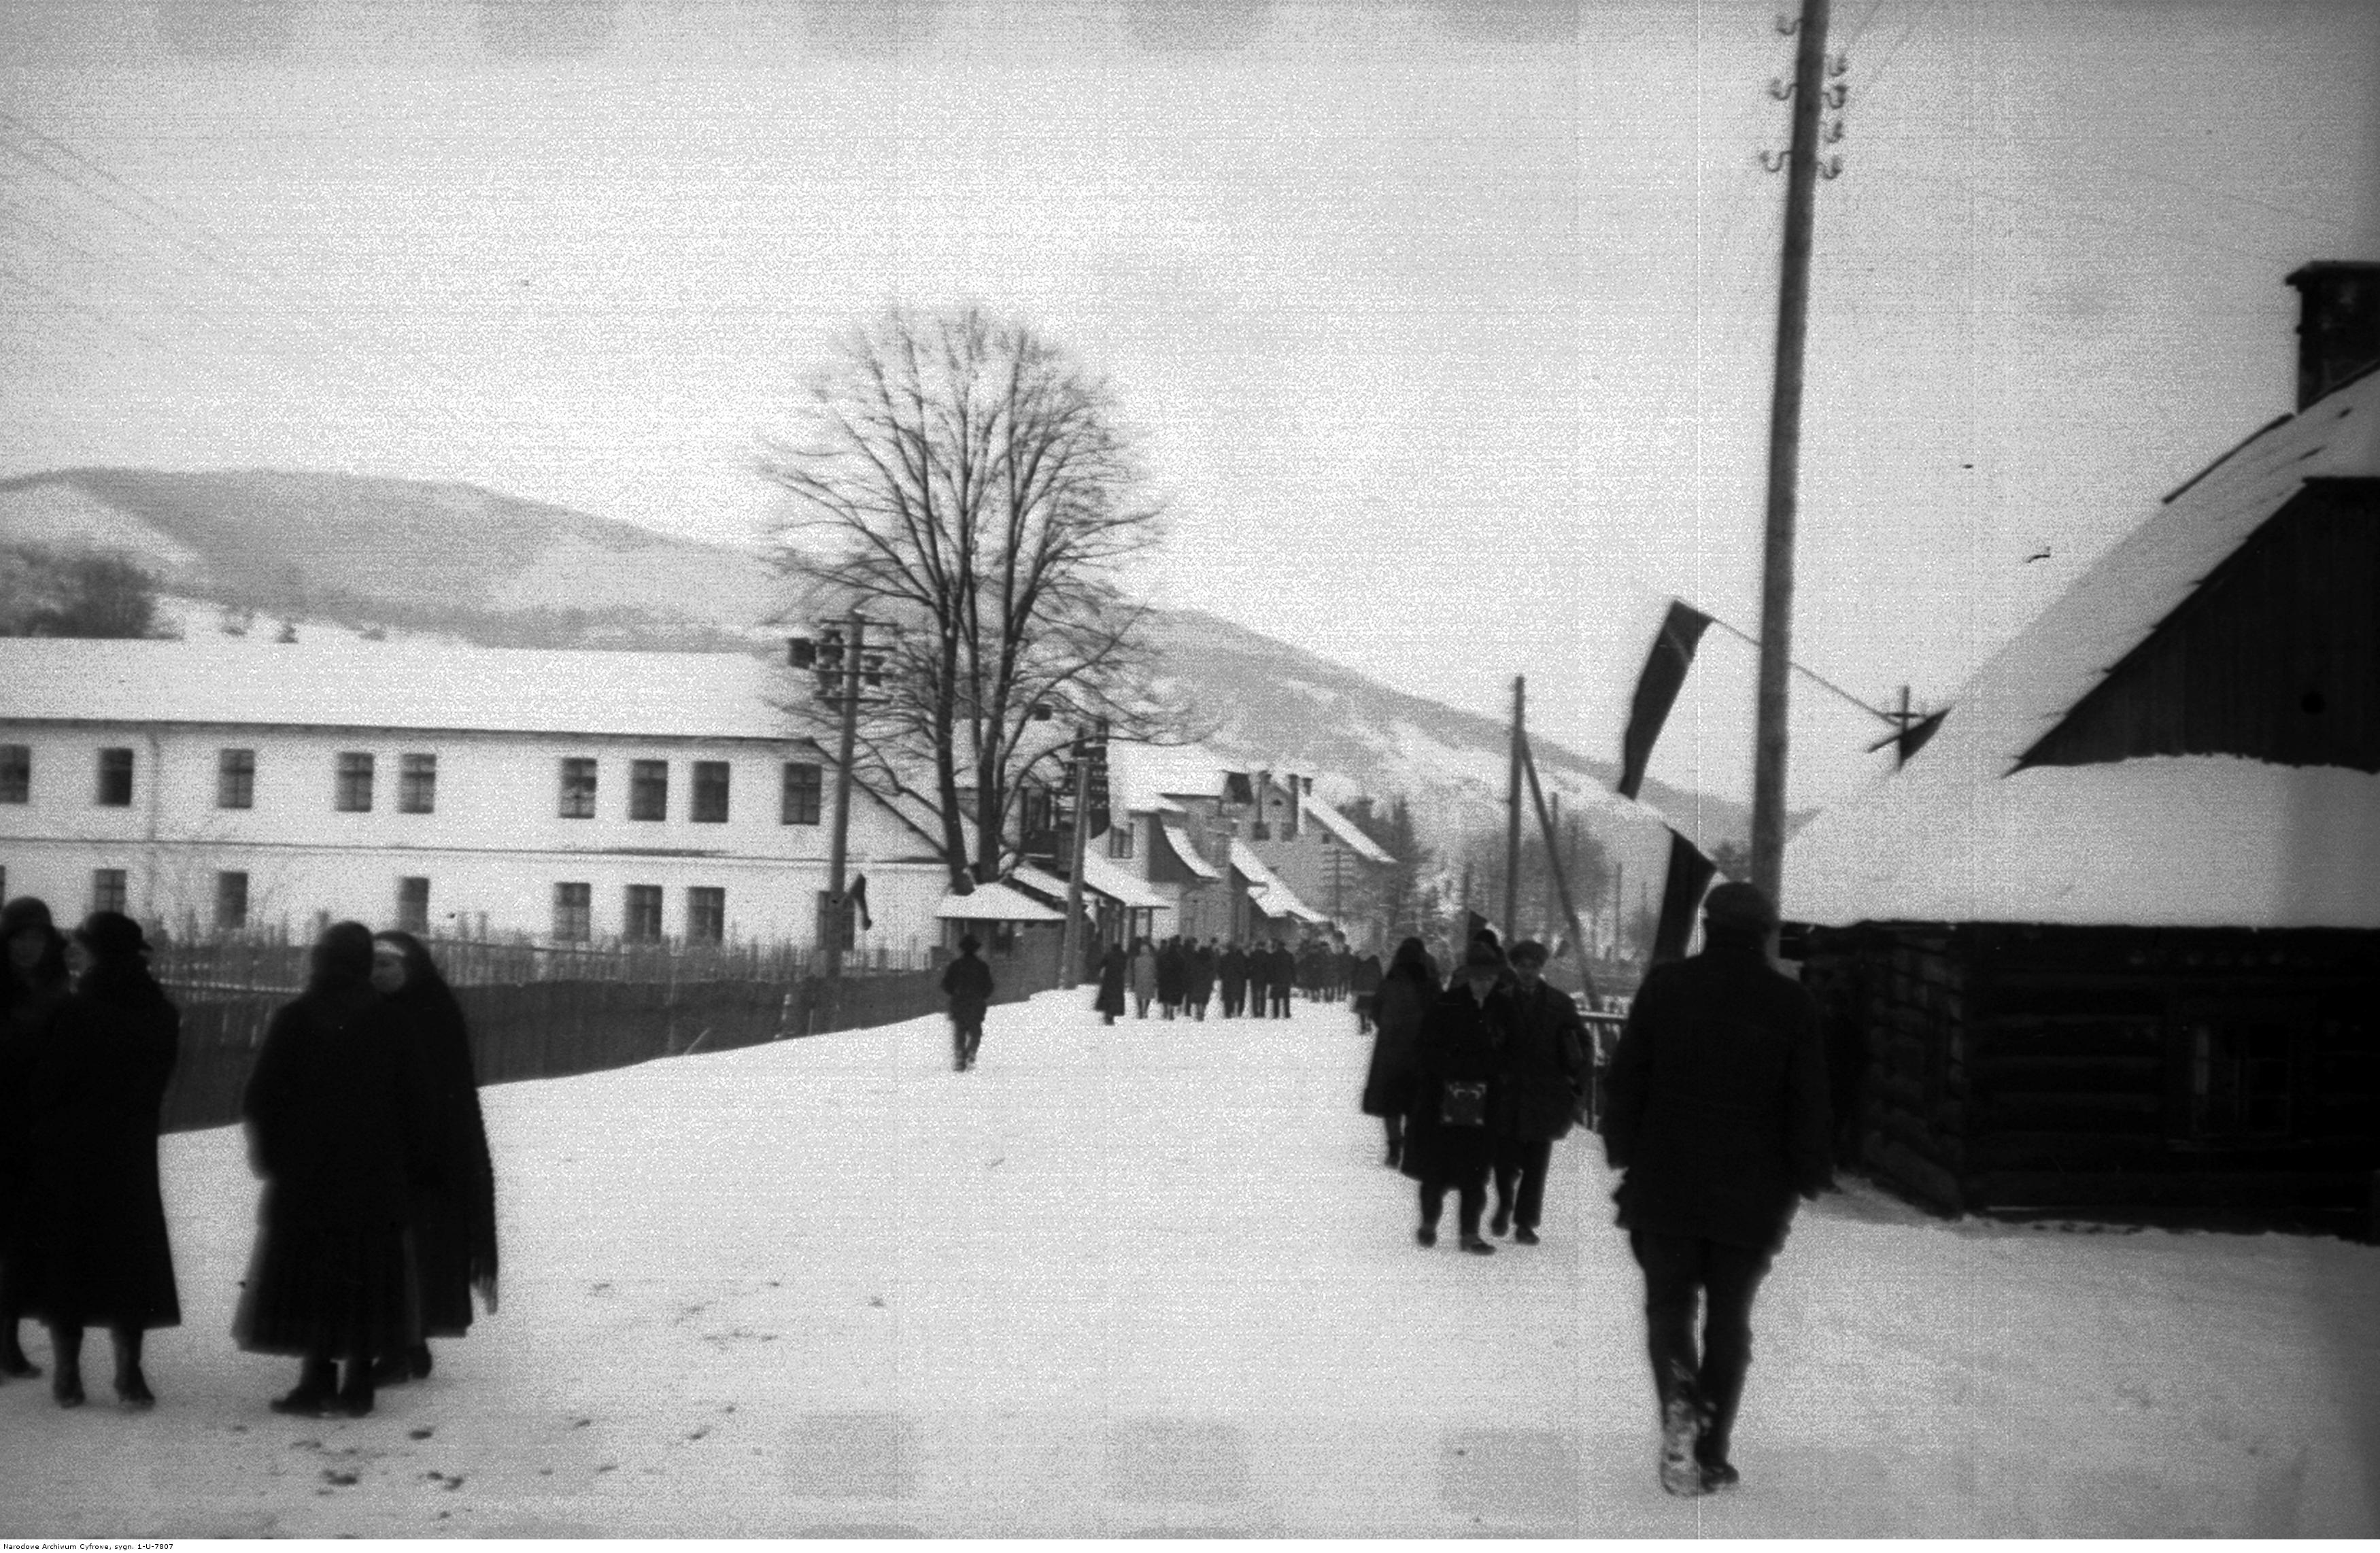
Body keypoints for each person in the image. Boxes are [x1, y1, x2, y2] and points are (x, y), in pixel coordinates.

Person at [1601, 882, 1831, 1497]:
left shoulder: (1666, 987)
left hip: (1665, 1182)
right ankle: (1710, 1455)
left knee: (1669, 1306)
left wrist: (1625, 1152)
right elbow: (1809, 1101)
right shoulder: (1791, 1004)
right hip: (1751, 1194)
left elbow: (1624, 1080)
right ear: (1763, 933)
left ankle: (1680, 1393)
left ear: (1707, 926)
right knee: (1730, 1322)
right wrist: (1807, 1174)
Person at [237, 921, 430, 1418]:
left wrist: (275, 1156)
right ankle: (360, 1383)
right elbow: (415, 1102)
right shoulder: (392, 1022)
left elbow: (263, 1095)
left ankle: (317, 1380)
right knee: (367, 1275)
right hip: (374, 1178)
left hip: (309, 1178)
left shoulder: (296, 1019)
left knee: (311, 1275)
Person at [14, 910, 182, 1408]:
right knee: (129, 1258)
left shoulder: (77, 1010)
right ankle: (130, 1373)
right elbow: (157, 1082)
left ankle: (68, 1374)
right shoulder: (160, 1011)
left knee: (72, 1257)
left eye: (82, 945)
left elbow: (48, 1084)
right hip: (130, 1152)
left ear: (100, 951)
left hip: (72, 1153)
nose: (74, 952)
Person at [369, 931, 498, 1384]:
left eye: (387, 964)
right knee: (391, 1254)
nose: (378, 974)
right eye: (373, 965)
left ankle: (405, 1347)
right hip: (383, 1151)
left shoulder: (436, 1012)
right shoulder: (369, 1013)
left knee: (414, 1254)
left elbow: (452, 1089)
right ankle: (408, 1343)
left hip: (431, 1157)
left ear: (411, 968)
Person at [1401, 940, 1514, 1255]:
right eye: (1478, 978)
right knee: (1436, 1168)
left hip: (1486, 1102)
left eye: (1490, 979)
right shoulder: (1446, 1005)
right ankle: (1429, 1222)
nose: (1484, 984)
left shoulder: (1504, 1010)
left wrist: (1495, 1074)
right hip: (1442, 1100)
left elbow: (1516, 1051)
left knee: (1476, 1170)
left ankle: (1469, 1234)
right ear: (1467, 976)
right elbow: (1424, 1050)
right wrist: (1452, 1072)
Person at [1, 896, 73, 1381]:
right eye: (19, 938)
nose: (28, 947)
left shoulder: (59, 992)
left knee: (18, 1244)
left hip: (35, 1131)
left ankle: (7, 1344)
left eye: (36, 938)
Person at [1490, 940, 1589, 1246]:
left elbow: (1581, 1044)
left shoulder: (1560, 1004)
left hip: (1546, 1092)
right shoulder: (1500, 1000)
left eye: (1533, 966)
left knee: (1536, 1163)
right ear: (1515, 968)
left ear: (1541, 968)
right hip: (1508, 1091)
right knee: (1504, 1159)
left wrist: (1577, 1086)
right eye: (1522, 966)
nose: (1528, 972)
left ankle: (1525, 1222)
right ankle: (1507, 1202)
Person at [1360, 938, 1435, 1169]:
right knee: (1415, 1101)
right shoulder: (1429, 984)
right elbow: (1438, 1014)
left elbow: (1376, 1011)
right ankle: (1412, 1145)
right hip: (1420, 1053)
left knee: (1390, 1103)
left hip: (1390, 1053)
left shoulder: (1390, 982)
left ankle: (1394, 1147)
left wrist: (1390, 1029)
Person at [940, 934, 996, 1072]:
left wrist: (955, 993)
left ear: (962, 949)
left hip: (959, 1002)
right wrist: (981, 996)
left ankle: (960, 1056)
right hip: (976, 1003)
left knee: (960, 1031)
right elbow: (989, 987)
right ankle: (971, 1053)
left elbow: (946, 984)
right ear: (976, 950)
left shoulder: (955, 966)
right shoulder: (982, 966)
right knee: (976, 1032)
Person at [1093, 942, 1127, 1026]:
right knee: (1116, 998)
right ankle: (1112, 1015)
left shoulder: (1109, 955)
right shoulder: (1123, 956)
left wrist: (1096, 971)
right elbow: (1125, 967)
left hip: (1108, 979)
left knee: (1108, 997)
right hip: (1119, 980)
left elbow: (1101, 964)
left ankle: (1107, 1013)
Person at [1350, 949, 1382, 1037]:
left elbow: (1358, 978)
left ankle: (1363, 1025)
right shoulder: (1377, 969)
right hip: (1373, 993)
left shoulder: (1364, 966)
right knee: (1370, 1009)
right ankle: (1369, 1022)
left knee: (1362, 1010)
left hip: (1362, 993)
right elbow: (1381, 980)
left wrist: (1355, 989)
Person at [1155, 937, 1187, 1021]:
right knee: (1173, 996)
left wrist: (1159, 977)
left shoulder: (1163, 957)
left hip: (1165, 979)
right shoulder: (1180, 958)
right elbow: (1183, 969)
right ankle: (1171, 1011)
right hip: (1176, 980)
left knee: (1165, 995)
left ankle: (1165, 1009)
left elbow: (1159, 967)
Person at [1185, 940, 1215, 1021]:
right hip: (1206, 983)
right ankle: (1203, 1011)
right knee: (1205, 999)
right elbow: (1212, 973)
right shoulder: (1209, 962)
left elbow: (1192, 971)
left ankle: (1199, 1010)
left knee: (1198, 999)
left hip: (1197, 982)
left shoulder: (1196, 961)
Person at [1129, 939, 1158, 1020]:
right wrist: (1154, 978)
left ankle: (1140, 1010)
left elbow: (1134, 969)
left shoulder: (1137, 960)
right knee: (1148, 995)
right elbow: (1154, 969)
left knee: (1139, 995)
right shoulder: (1152, 960)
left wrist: (1134, 979)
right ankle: (1146, 1010)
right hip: (1149, 979)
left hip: (1139, 979)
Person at [1217, 940, 1247, 1019]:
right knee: (1234, 995)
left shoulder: (1224, 958)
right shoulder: (1238, 958)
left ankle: (1227, 1012)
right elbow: (1242, 969)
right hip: (1236, 980)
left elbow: (1220, 969)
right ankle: (1233, 1011)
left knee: (1227, 996)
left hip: (1226, 980)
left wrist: (1222, 976)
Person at [1265, 939, 1295, 1019]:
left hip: (1276, 980)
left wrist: (1269, 979)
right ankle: (1287, 1013)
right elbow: (1293, 968)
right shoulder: (1289, 956)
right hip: (1286, 980)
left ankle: (1276, 1013)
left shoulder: (1273, 956)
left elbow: (1270, 969)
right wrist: (1293, 979)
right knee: (1286, 998)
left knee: (1276, 998)